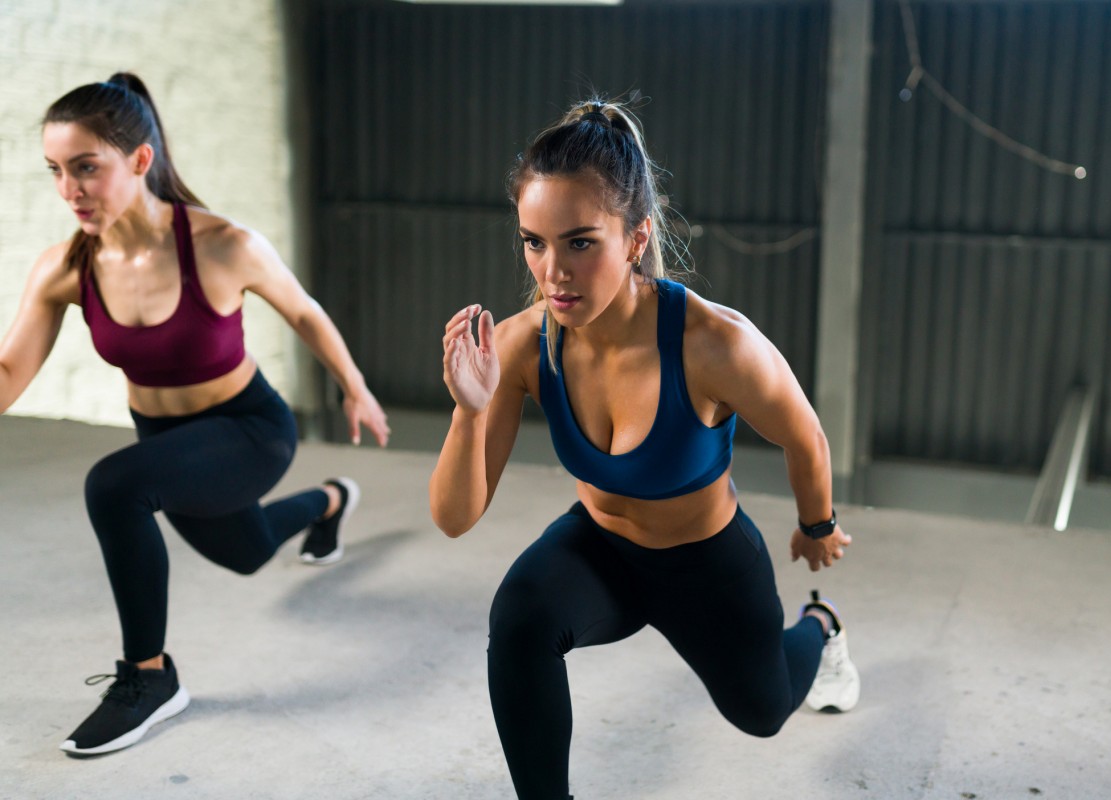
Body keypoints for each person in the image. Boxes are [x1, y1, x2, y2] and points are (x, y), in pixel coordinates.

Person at [429, 99, 861, 799]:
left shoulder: (714, 344)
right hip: (600, 551)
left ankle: (822, 624)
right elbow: (455, 517)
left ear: (634, 239)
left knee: (763, 713)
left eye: (579, 242)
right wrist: (468, 414)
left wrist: (818, 526)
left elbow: (804, 435)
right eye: (534, 242)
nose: (552, 272)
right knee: (519, 619)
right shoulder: (517, 347)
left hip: (707, 563)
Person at [0, 73, 390, 756]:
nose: (70, 190)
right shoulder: (63, 268)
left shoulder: (221, 244)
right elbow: (9, 372)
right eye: (56, 171)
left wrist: (354, 387)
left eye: (86, 168)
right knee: (244, 553)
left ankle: (149, 680)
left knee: (115, 487)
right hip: (168, 440)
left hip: (249, 431)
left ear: (140, 160)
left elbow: (303, 309)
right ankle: (330, 503)